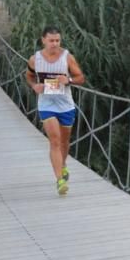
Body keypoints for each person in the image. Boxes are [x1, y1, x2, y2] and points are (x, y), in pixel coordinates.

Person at [25, 26, 85, 196]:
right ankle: (59, 180)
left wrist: (69, 80)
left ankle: (63, 165)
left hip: (65, 105)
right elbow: (29, 76)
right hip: (46, 104)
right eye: (51, 40)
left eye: (57, 40)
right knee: (55, 141)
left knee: (65, 142)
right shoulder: (34, 59)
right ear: (43, 40)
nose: (54, 44)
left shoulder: (67, 57)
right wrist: (34, 86)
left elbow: (81, 78)